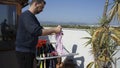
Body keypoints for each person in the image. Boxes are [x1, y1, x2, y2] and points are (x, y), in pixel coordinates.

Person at [15, 0, 62, 68]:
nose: (42, 10)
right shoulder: (26, 16)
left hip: (28, 50)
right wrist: (54, 29)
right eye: (41, 7)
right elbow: (37, 31)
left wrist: (54, 32)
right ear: (36, 4)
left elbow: (40, 29)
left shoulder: (31, 16)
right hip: (24, 51)